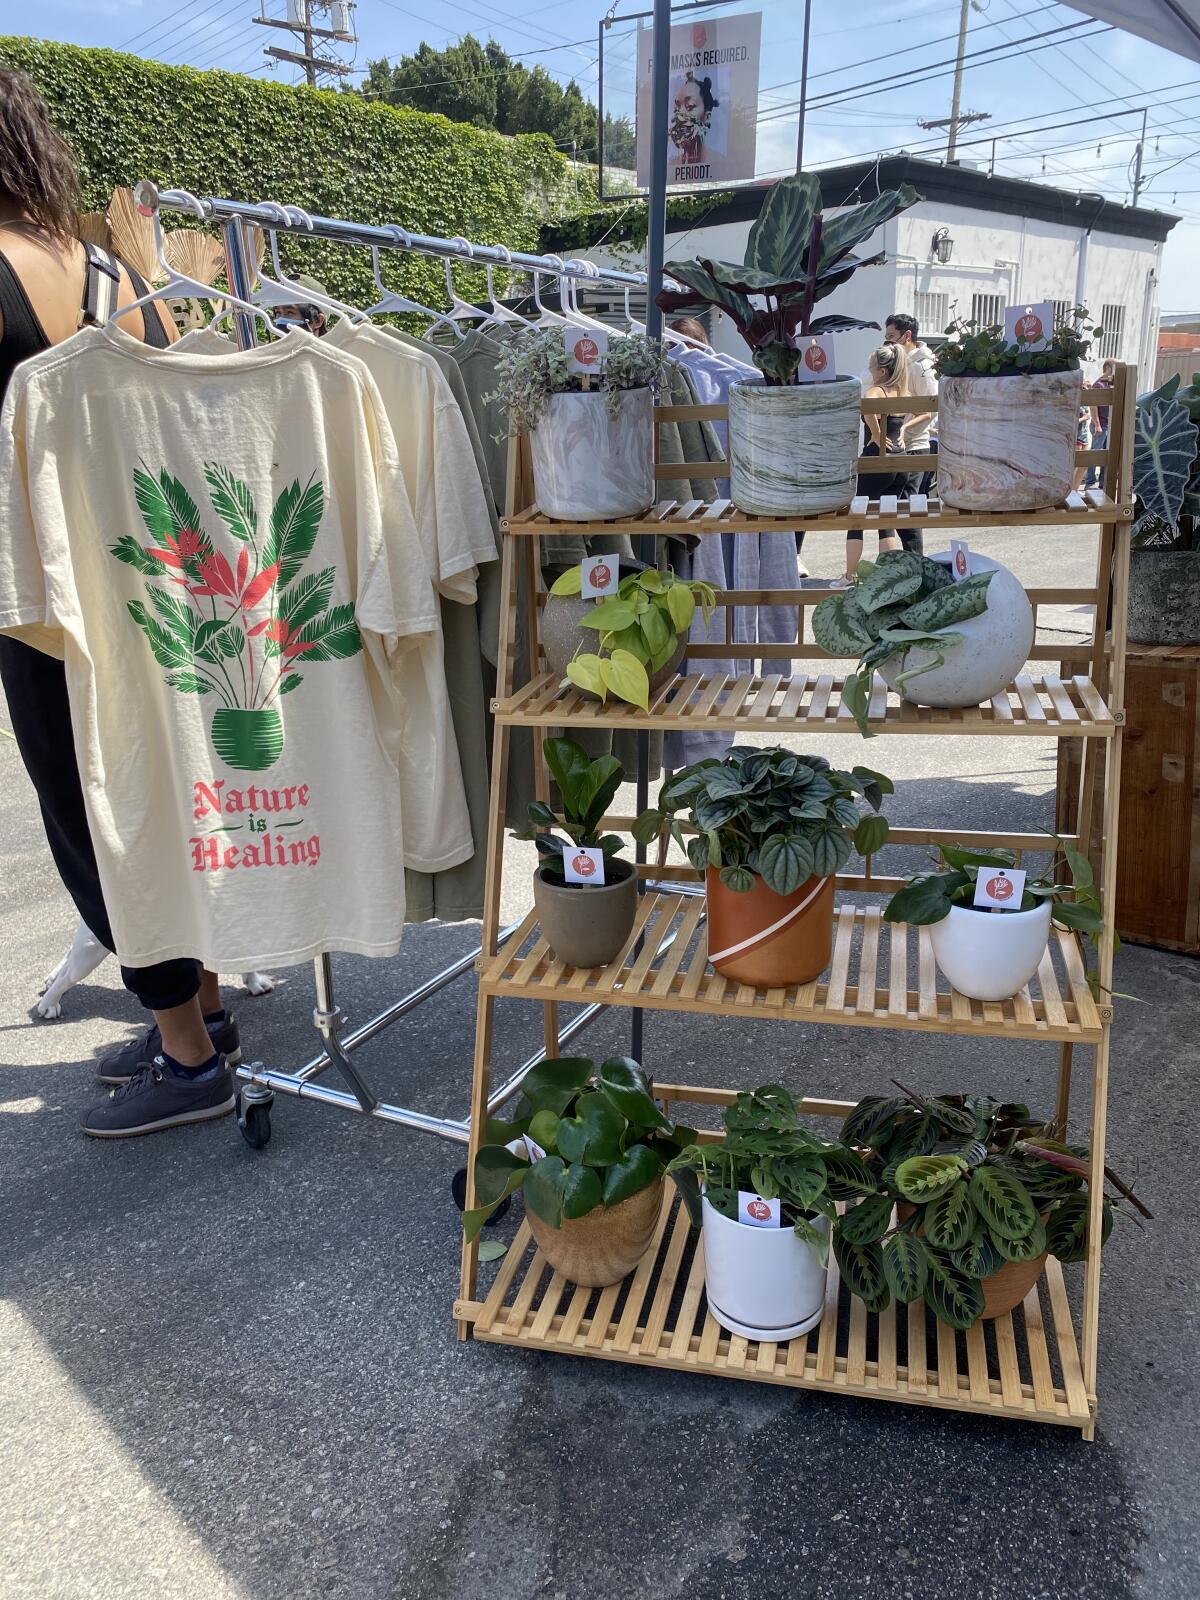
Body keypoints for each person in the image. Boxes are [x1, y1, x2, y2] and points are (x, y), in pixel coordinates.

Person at [0, 68, 240, 1138]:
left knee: (88, 810)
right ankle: (207, 1013)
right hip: (142, 578)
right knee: (156, 792)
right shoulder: (105, 266)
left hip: (44, 591)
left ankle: (188, 1060)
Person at [840, 342, 911, 583]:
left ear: (881, 371)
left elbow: (867, 404)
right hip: (900, 461)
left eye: (871, 367)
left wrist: (877, 434)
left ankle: (849, 575)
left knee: (857, 518)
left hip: (877, 461)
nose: (869, 371)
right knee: (886, 520)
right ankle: (885, 578)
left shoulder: (878, 391)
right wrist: (902, 431)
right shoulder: (902, 391)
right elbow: (925, 412)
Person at [885, 311, 937, 554]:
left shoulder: (922, 366)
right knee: (895, 506)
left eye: (891, 337)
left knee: (905, 506)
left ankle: (916, 562)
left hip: (915, 446)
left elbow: (931, 409)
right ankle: (911, 562)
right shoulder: (901, 363)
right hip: (899, 445)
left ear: (907, 336)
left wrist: (905, 428)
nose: (888, 343)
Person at [670, 72, 718, 169]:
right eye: (677, 108)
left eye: (690, 106)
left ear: (707, 117)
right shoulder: (670, 167)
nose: (679, 116)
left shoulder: (721, 163)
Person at [1087, 357, 1116, 490]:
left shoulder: (1110, 384)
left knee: (1107, 455)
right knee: (1095, 453)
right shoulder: (1099, 384)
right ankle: (1090, 482)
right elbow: (1093, 406)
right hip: (1101, 425)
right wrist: (1097, 424)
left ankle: (1103, 483)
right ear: (1109, 368)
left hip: (1108, 425)